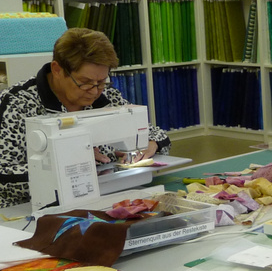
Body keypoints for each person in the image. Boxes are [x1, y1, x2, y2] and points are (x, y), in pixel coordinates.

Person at [0, 28, 170, 209]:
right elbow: (3, 175)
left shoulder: (107, 97)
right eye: (85, 82)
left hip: (101, 197)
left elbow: (156, 134)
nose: (95, 91)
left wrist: (151, 144)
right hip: (24, 209)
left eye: (102, 82)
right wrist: (69, 162)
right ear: (57, 70)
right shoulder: (16, 105)